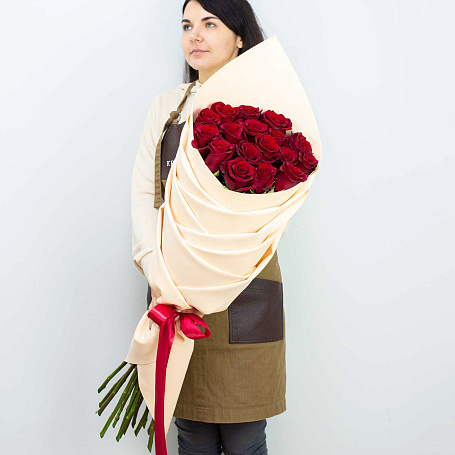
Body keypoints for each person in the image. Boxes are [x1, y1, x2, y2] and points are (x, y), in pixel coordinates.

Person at [131, 1, 290, 453]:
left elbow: (275, 209)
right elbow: (144, 195)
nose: (194, 36)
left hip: (245, 286)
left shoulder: (269, 107)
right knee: (192, 433)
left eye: (209, 24)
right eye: (187, 26)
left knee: (244, 437)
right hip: (173, 289)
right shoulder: (167, 107)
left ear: (239, 37)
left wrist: (214, 274)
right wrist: (156, 269)